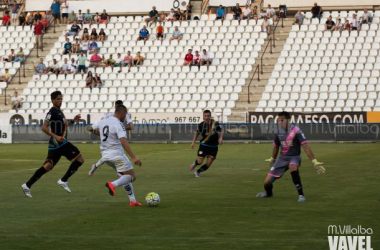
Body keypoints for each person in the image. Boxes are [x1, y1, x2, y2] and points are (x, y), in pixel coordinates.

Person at [21, 91, 84, 198]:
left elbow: (64, 125)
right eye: (58, 99)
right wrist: (56, 136)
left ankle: (27, 185)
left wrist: (73, 121)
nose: (60, 101)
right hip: (60, 143)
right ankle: (63, 180)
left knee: (48, 166)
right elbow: (44, 127)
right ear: (53, 100)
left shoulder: (59, 112)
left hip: (56, 145)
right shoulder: (52, 112)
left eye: (61, 99)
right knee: (80, 159)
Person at [256, 111, 325, 202]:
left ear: (288, 120)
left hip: (294, 157)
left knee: (292, 167)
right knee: (267, 183)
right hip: (282, 158)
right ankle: (269, 193)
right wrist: (273, 159)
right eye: (278, 120)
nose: (280, 122)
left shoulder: (297, 131)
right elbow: (276, 147)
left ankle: (301, 195)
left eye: (282, 120)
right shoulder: (278, 132)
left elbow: (305, 147)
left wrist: (314, 161)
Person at [87, 105, 142, 206]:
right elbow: (123, 141)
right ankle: (112, 184)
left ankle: (133, 201)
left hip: (106, 157)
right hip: (117, 155)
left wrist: (100, 134)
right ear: (122, 113)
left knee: (123, 176)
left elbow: (89, 128)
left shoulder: (103, 121)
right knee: (132, 176)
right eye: (125, 115)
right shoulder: (118, 124)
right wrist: (134, 157)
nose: (125, 118)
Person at [190, 110, 223, 177]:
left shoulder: (215, 123)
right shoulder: (201, 125)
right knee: (200, 162)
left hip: (213, 147)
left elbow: (221, 131)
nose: (206, 117)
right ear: (203, 117)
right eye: (205, 116)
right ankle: (195, 163)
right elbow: (196, 133)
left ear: (210, 116)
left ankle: (197, 172)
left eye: (208, 116)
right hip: (204, 145)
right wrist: (193, 142)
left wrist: (220, 138)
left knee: (208, 164)